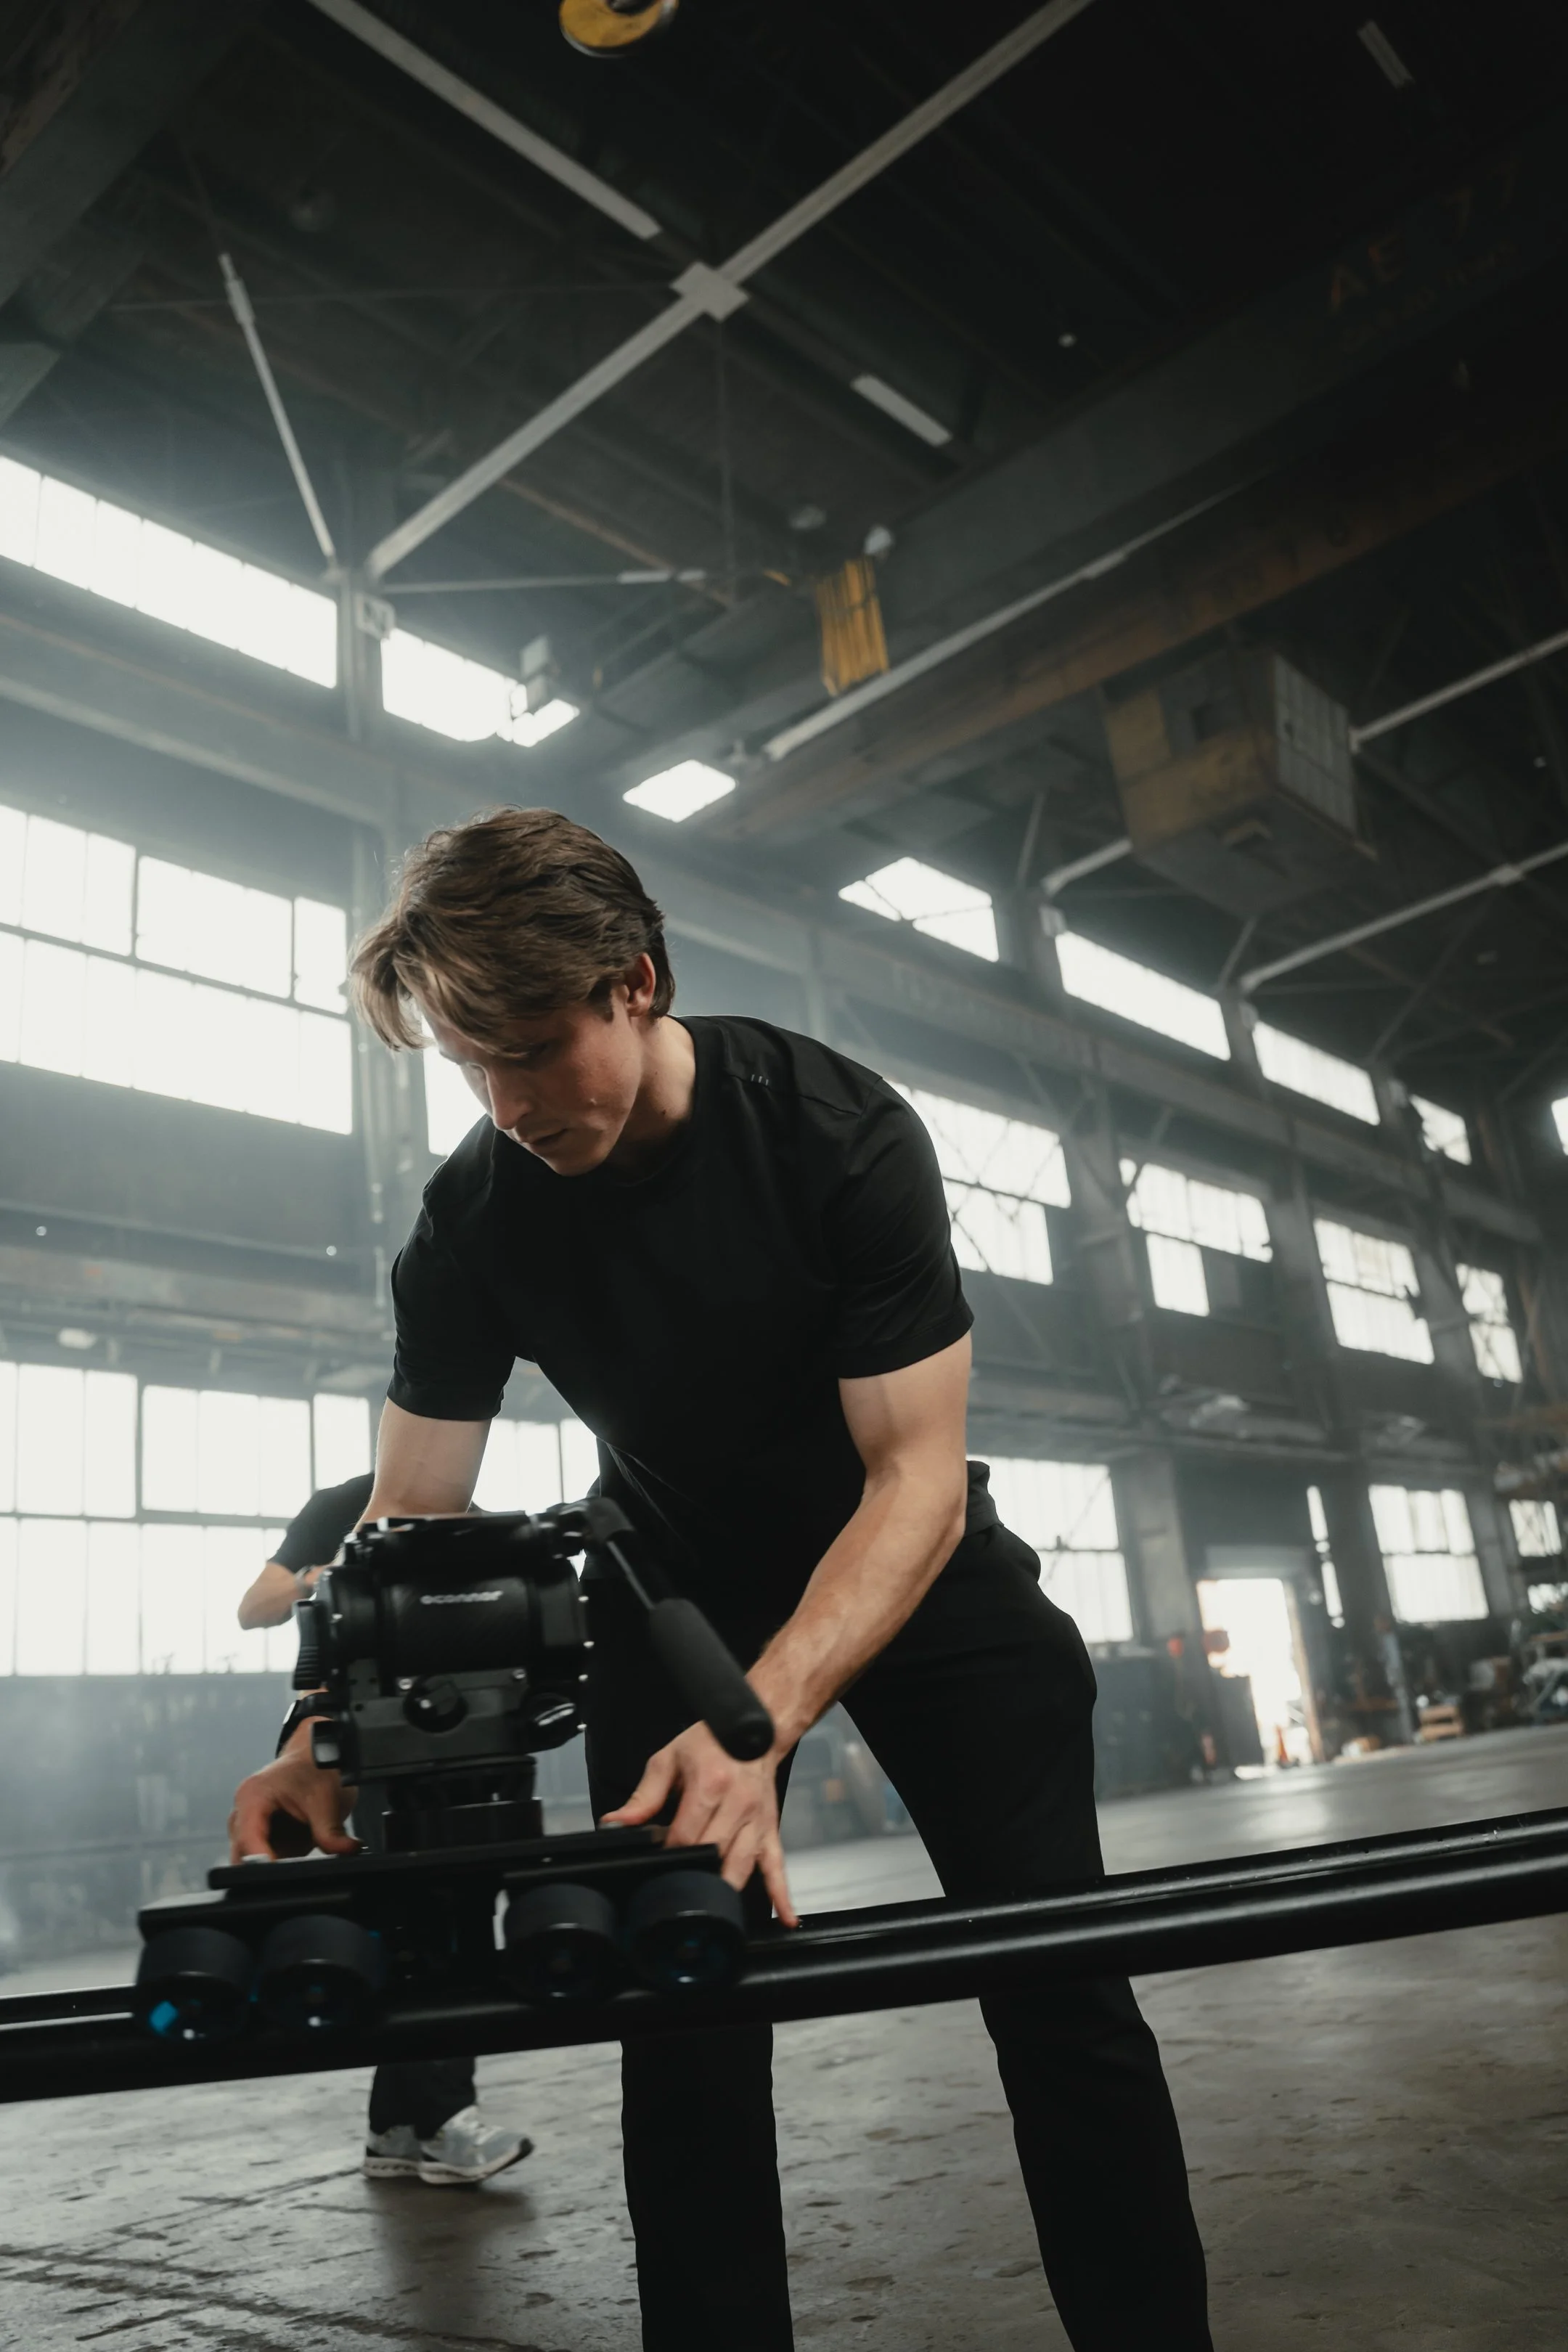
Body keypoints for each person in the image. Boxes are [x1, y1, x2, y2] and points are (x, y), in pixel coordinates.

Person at [229, 808, 1212, 2351]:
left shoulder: (835, 1130)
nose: (507, 1101)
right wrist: (316, 1739)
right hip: (667, 1595)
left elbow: (915, 1479)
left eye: (533, 1048)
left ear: (635, 980)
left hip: (921, 1577)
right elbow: (414, 1517)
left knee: (1059, 1992)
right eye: (470, 1067)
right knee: (680, 2026)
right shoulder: (473, 1219)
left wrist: (762, 1727)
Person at [238, 1471, 531, 2189]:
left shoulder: (480, 1516)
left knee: (445, 1922)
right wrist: (324, 1576)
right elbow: (255, 1607)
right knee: (429, 1918)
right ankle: (444, 2119)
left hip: (477, 1730)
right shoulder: (343, 1507)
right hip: (380, 1738)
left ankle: (395, 2128)